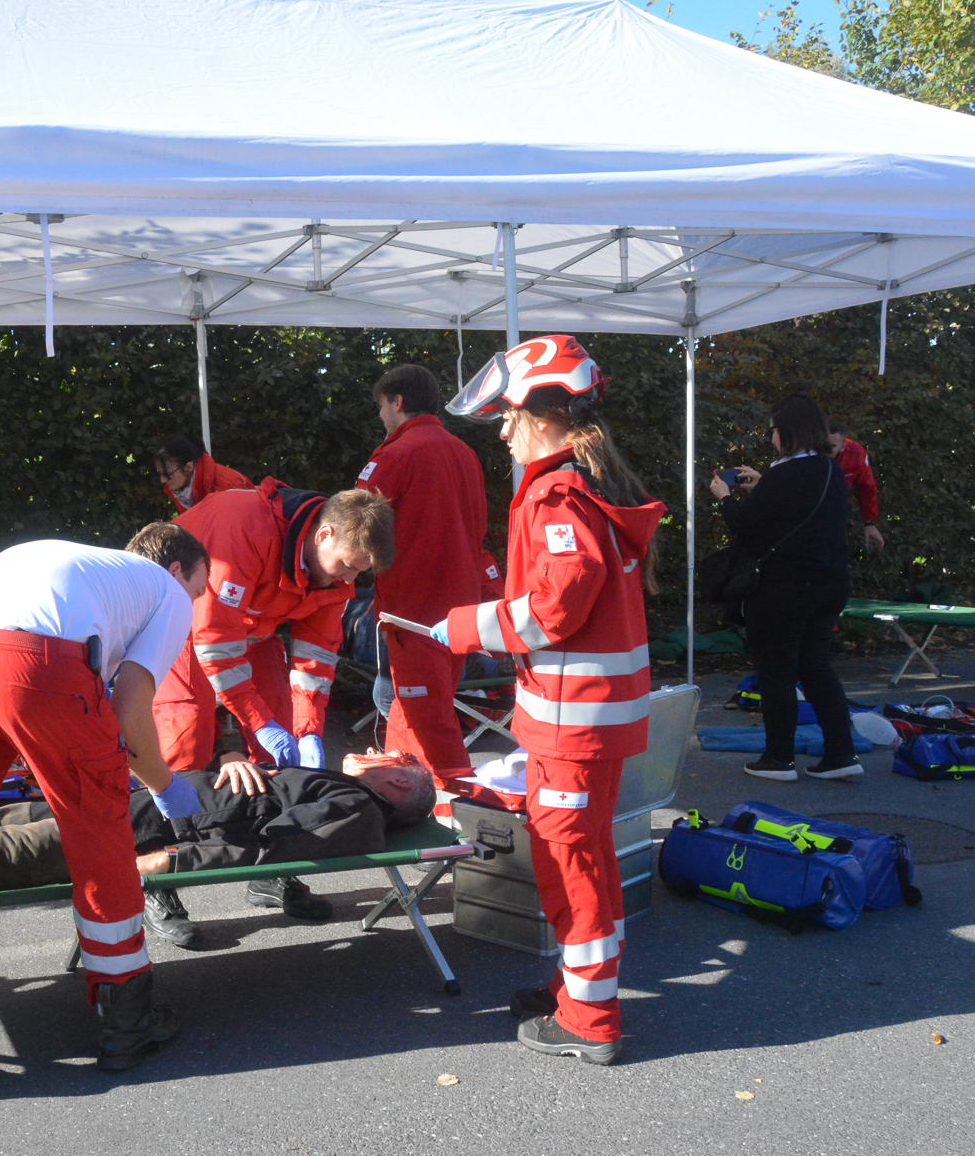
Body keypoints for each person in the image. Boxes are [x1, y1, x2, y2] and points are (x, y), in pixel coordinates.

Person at [0, 523, 210, 1114]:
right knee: (98, 837)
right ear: (180, 570)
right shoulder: (169, 593)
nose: (198, 603)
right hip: (38, 660)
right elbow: (129, 710)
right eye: (200, 589)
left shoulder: (90, 569)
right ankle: (127, 1020)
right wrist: (165, 786)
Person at [431, 335, 663, 1067]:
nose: (502, 432)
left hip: (573, 724)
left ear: (542, 414)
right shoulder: (587, 486)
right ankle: (576, 994)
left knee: (573, 867)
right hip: (585, 719)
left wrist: (466, 627)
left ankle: (589, 1022)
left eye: (508, 417)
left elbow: (558, 603)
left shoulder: (555, 493)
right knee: (583, 860)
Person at [0, 751, 436, 929]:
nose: (376, 749)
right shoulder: (334, 783)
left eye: (392, 755)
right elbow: (263, 805)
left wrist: (174, 862)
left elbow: (278, 851)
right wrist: (236, 757)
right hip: (131, 805)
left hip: (143, 831)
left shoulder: (358, 809)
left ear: (399, 782)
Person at [153, 481, 394, 922]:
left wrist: (308, 731)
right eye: (345, 566)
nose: (348, 580)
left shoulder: (334, 569)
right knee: (182, 743)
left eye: (358, 573)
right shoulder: (245, 529)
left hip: (251, 630)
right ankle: (157, 881)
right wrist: (255, 721)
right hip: (181, 626)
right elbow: (213, 639)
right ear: (323, 535)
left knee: (282, 753)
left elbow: (316, 660)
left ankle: (273, 865)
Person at [710, 394, 860, 782]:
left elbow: (746, 525)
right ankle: (842, 753)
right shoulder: (830, 470)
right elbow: (795, 513)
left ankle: (778, 758)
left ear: (787, 431)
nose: (771, 436)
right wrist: (762, 485)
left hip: (784, 588)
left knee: (777, 672)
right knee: (816, 667)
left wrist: (724, 498)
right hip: (829, 584)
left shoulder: (785, 474)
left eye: (773, 430)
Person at [358, 364, 489, 776]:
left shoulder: (396, 454)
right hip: (460, 610)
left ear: (397, 402)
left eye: (382, 406)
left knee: (427, 722)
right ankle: (401, 788)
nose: (381, 416)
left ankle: (455, 801)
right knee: (415, 711)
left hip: (413, 612)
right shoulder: (464, 453)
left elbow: (355, 523)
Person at [826, 419, 886, 552]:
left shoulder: (855, 456)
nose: (825, 450)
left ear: (843, 446)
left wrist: (869, 523)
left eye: (832, 446)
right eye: (823, 444)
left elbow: (867, 488)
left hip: (833, 513)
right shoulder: (806, 451)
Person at [153, 434, 251, 513]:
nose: (163, 480)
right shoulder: (183, 488)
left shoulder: (230, 486)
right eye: (160, 473)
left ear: (189, 467)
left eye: (168, 474)